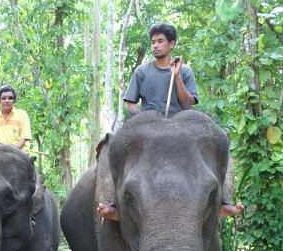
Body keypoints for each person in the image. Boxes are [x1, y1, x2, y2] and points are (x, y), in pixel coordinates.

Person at [97, 22, 243, 221]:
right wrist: (142, 118)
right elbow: (130, 103)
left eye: (160, 41)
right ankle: (113, 204)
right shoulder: (141, 72)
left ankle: (223, 202)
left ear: (172, 44)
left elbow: (188, 104)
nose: (155, 46)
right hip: (148, 130)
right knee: (111, 145)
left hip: (180, 130)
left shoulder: (185, 72)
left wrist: (177, 77)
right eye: (153, 42)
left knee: (220, 142)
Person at [0, 85, 32, 152]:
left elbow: (25, 137)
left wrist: (12, 151)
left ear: (14, 100)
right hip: (0, 154)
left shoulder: (22, 114)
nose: (7, 101)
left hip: (20, 154)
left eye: (10, 98)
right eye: (4, 98)